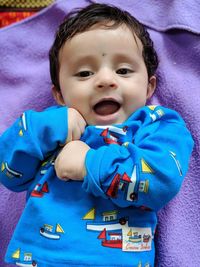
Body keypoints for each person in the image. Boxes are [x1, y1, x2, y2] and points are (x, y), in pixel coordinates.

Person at [0, 3, 193, 267]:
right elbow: (8, 174)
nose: (105, 80)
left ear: (149, 86)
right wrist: (44, 128)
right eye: (84, 73)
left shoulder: (157, 125)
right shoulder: (51, 127)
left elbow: (162, 179)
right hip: (39, 259)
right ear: (59, 93)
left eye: (123, 70)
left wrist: (89, 164)